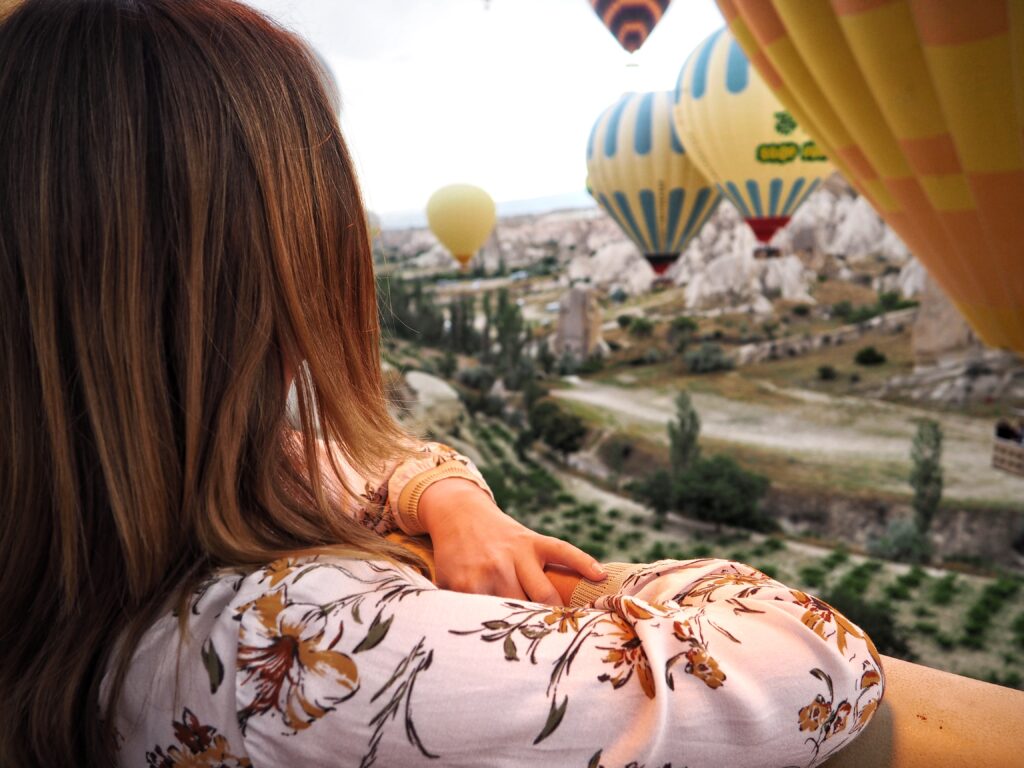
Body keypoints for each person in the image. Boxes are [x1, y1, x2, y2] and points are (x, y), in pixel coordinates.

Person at [0, 2, 884, 767]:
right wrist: (607, 588)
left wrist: (449, 497)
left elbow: (337, 462)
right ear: (282, 262)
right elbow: (814, 664)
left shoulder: (89, 553)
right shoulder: (298, 650)